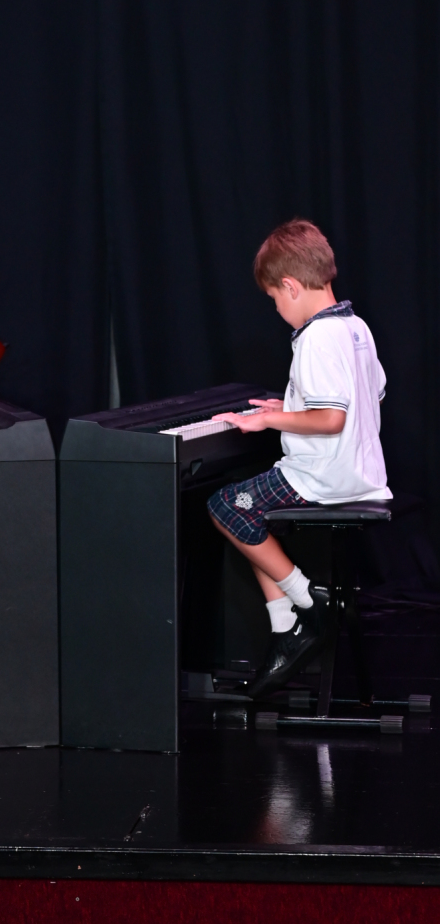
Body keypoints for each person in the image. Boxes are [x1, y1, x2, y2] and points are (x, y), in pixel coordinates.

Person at [207, 219, 390, 699]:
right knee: (247, 508)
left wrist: (269, 420)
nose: (277, 309)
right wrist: (288, 406)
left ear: (290, 286)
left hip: (324, 474)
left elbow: (330, 419)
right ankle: (286, 627)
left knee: (227, 507)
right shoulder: (355, 327)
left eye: (274, 299)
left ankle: (309, 602)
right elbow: (370, 393)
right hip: (363, 472)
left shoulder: (316, 336)